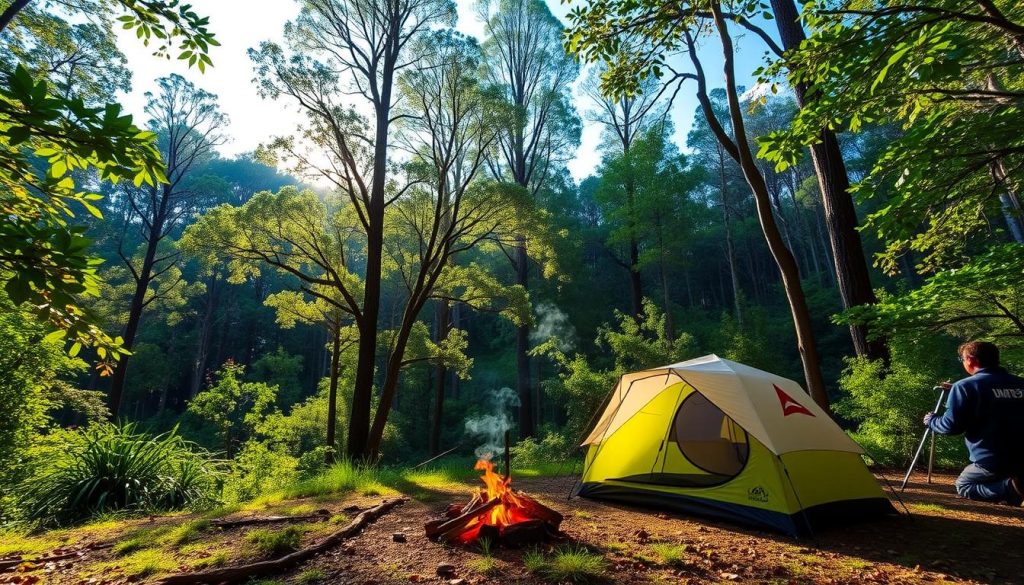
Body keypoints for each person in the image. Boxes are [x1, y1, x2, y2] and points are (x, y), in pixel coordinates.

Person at [924, 341, 1024, 505]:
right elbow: (996, 394)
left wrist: (932, 421)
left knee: (964, 485)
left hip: (991, 461)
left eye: (962, 359)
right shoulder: (1020, 384)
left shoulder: (965, 387)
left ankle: (1012, 488)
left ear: (970, 360)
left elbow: (951, 427)